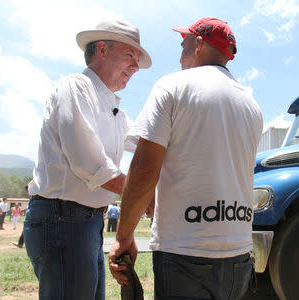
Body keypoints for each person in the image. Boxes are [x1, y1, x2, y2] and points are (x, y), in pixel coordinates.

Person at [109, 17, 263, 300]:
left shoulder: (173, 86)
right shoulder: (251, 104)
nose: (180, 54)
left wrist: (123, 237)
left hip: (185, 253)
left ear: (199, 45)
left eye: (183, 44)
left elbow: (144, 169)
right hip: (239, 254)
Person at [23, 20, 151, 300]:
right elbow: (90, 164)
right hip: (63, 219)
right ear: (102, 49)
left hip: (87, 221)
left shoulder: (114, 108)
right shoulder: (76, 87)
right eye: (130, 56)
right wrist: (143, 197)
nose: (135, 67)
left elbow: (148, 145)